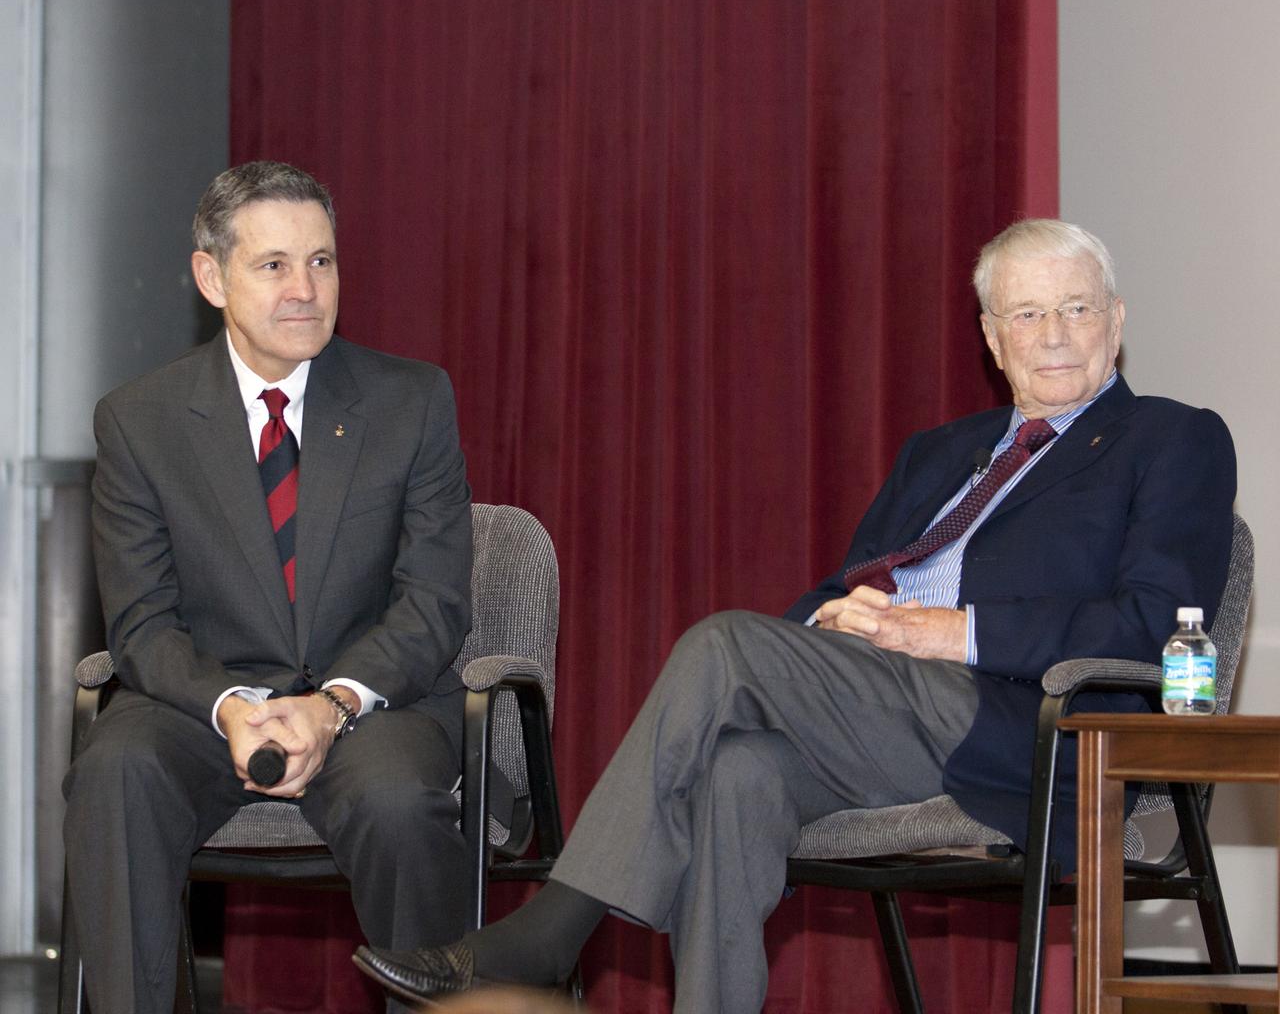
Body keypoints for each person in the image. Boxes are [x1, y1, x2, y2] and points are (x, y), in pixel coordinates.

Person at [353, 219, 1237, 1012]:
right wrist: (828, 631)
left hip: (1022, 728)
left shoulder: (1170, 439)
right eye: (1027, 315)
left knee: (727, 643)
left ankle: (552, 931)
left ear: (1115, 323)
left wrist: (952, 631)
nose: (1052, 335)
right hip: (880, 713)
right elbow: (841, 589)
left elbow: (1156, 621)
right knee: (741, 770)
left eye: (1075, 309)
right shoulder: (939, 453)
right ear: (991, 339)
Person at [63, 161, 482, 1014]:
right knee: (114, 771)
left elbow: (434, 600)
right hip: (204, 704)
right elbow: (141, 623)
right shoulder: (138, 421)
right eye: (275, 265)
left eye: (322, 262)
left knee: (401, 803)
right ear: (211, 277)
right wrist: (232, 707)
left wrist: (331, 705)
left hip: (372, 707)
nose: (305, 289)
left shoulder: (412, 401)